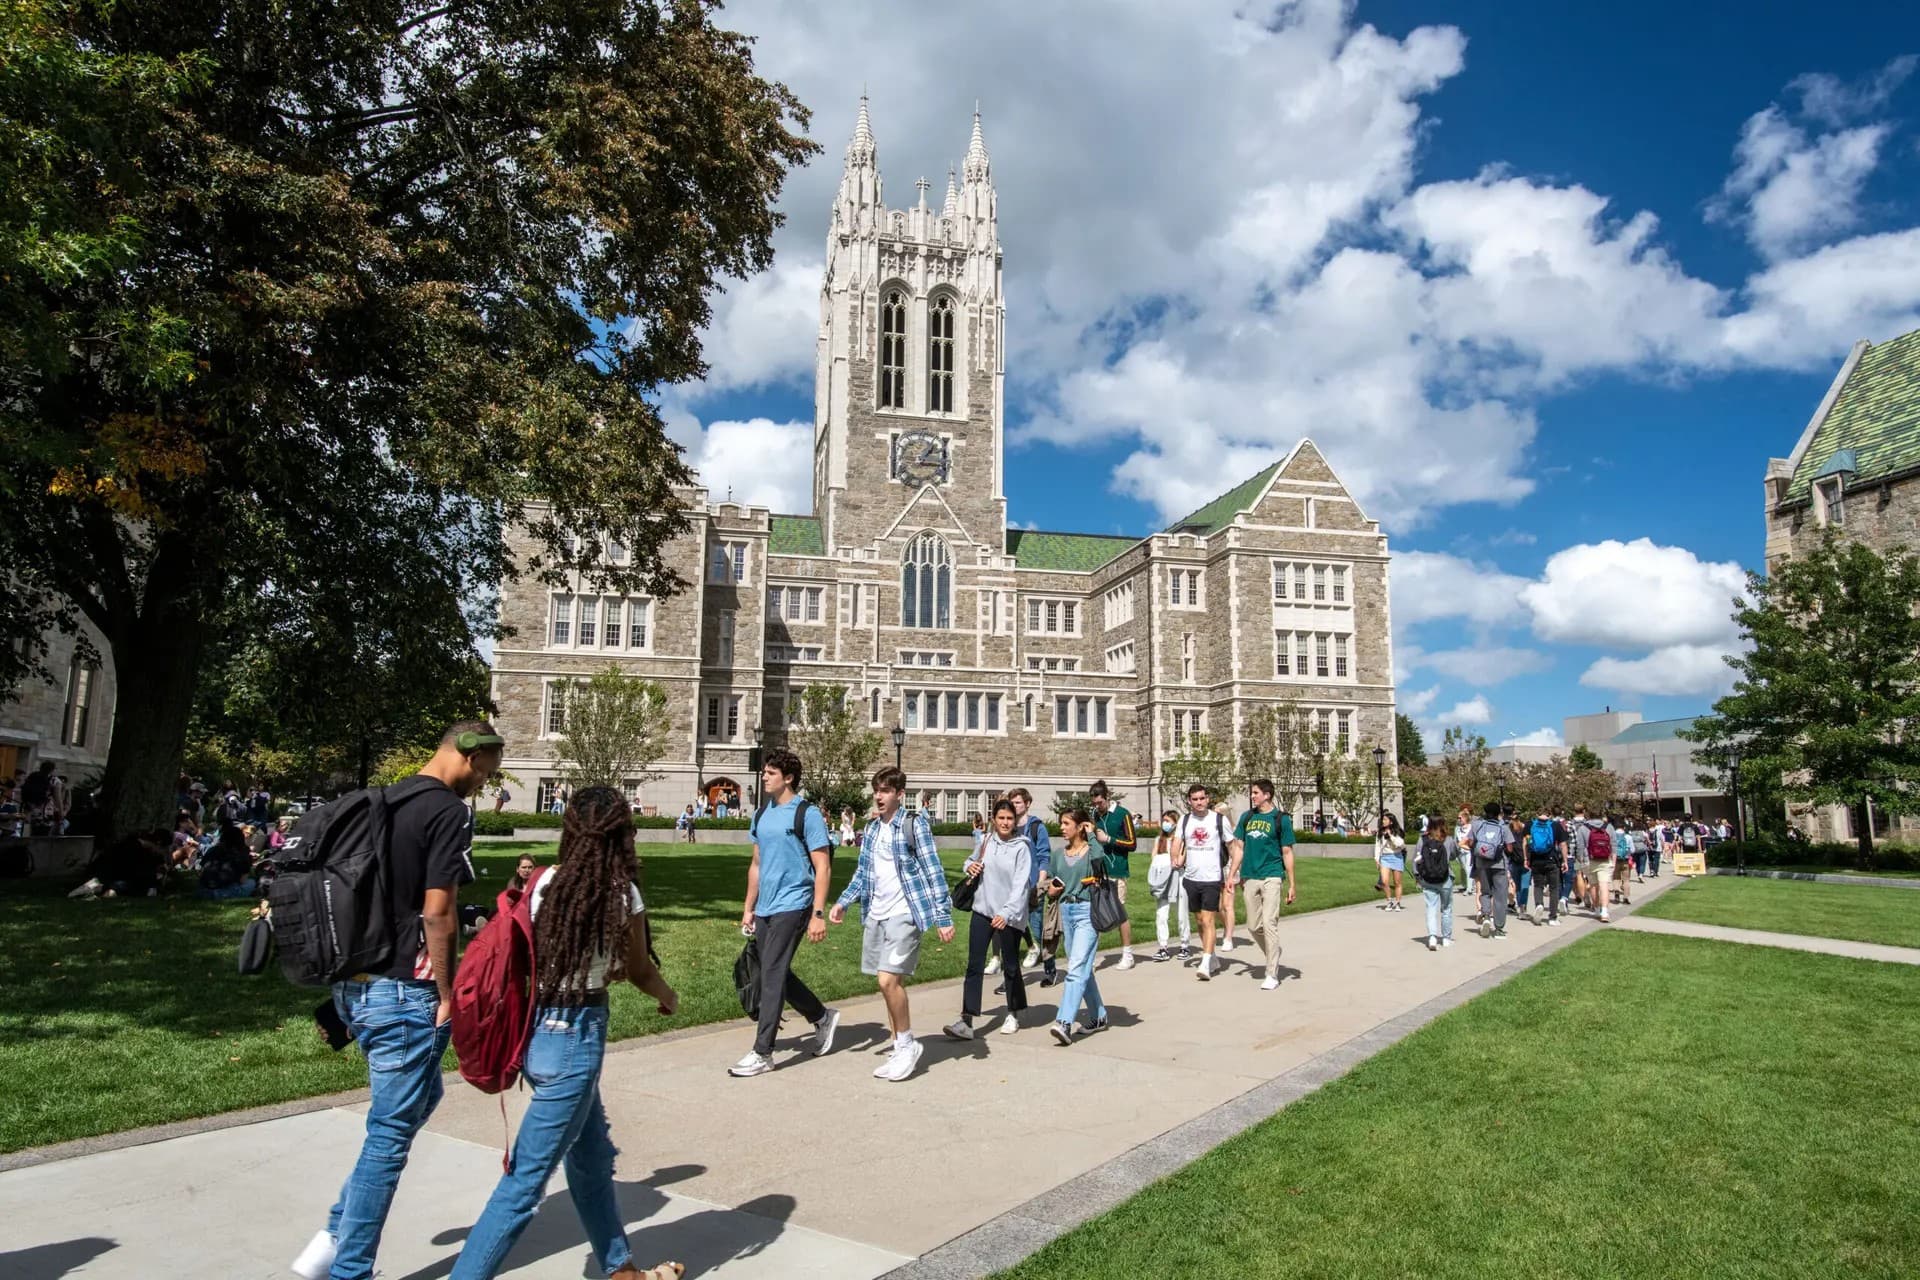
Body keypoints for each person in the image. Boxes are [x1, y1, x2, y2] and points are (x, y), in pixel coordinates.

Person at [292, 721, 503, 1280]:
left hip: (354, 985)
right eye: (487, 770)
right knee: (388, 1138)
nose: (485, 782)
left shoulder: (382, 800)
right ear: (470, 753)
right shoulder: (447, 812)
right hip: (405, 992)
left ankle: (329, 1244)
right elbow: (439, 912)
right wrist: (448, 988)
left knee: (418, 1099)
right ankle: (349, 1270)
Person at [449, 785, 683, 1280]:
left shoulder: (545, 882)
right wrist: (669, 996)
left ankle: (620, 1269)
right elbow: (639, 970)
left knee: (592, 1156)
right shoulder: (623, 891)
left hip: (536, 1033)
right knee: (524, 1185)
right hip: (577, 1038)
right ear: (621, 835)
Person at [829, 766, 955, 1083]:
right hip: (877, 913)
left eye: (885, 790)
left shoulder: (914, 825)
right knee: (885, 985)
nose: (878, 795)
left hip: (905, 912)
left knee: (888, 981)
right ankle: (899, 1046)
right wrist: (844, 901)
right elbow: (863, 873)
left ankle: (909, 1044)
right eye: (876, 789)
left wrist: (943, 916)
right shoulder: (871, 830)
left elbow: (934, 870)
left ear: (900, 795)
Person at [730, 749, 839, 1079]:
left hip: (795, 903)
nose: (764, 776)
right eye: (764, 771)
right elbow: (756, 864)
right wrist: (748, 907)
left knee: (773, 973)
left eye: (771, 772)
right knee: (773, 970)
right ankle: (821, 1016)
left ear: (788, 777)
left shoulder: (806, 814)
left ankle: (763, 1052)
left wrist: (818, 913)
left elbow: (822, 866)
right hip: (766, 906)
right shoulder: (761, 813)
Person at [947, 798, 1032, 1039]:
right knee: (974, 965)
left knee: (1011, 965)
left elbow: (1020, 886)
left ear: (1015, 821)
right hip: (983, 910)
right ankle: (967, 1019)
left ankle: (1013, 1012)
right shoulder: (986, 840)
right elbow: (970, 861)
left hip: (1009, 915)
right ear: (993, 819)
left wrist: (1005, 913)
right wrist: (970, 867)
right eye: (1001, 818)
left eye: (1009, 818)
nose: (1005, 822)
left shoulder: (1021, 848)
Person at [1046, 808, 1110, 1044]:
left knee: (1075, 969)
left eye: (1066, 823)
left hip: (1087, 911)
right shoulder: (1058, 854)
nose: (1061, 828)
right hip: (1067, 911)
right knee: (1081, 968)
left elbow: (1099, 858)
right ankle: (1098, 1016)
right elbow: (1052, 880)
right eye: (1061, 823)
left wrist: (1091, 834)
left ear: (1080, 826)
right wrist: (1051, 889)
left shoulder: (1091, 851)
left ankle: (1064, 1022)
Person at [1174, 784, 1241, 980]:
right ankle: (1211, 956)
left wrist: (1232, 875)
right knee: (1199, 921)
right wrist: (1175, 857)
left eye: (1202, 798)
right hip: (1191, 877)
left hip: (1212, 877)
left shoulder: (1218, 820)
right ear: (1189, 801)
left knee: (1208, 919)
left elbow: (1233, 847)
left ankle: (1205, 962)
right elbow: (1177, 841)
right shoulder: (1185, 820)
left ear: (1208, 798)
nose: (1199, 802)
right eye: (1195, 799)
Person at [1235, 780, 1296, 989]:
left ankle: (1272, 973)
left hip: (1272, 875)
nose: (1252, 796)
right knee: (1253, 926)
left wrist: (1292, 884)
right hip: (1250, 875)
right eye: (1252, 793)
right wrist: (1232, 874)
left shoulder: (1280, 819)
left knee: (1270, 923)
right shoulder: (1247, 817)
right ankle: (1274, 952)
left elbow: (1287, 852)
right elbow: (1239, 849)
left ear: (1267, 795)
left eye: (1256, 792)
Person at [1006, 788, 1057, 985]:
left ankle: (1050, 970)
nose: (1015, 806)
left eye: (1018, 802)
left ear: (1027, 803)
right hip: (1012, 889)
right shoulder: (1008, 827)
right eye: (1013, 803)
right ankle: (1011, 979)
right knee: (1010, 934)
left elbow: (1044, 857)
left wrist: (1039, 884)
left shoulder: (1036, 827)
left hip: (1033, 885)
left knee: (1037, 930)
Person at [1088, 781, 1140, 969]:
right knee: (1095, 911)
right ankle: (1091, 955)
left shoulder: (1122, 814)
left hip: (1117, 869)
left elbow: (1132, 843)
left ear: (1107, 798)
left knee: (1119, 912)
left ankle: (1127, 954)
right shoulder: (1095, 815)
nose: (1096, 807)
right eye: (1094, 803)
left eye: (1099, 803)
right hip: (1099, 870)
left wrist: (1109, 839)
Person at [1146, 808, 1190, 959]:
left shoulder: (1180, 840)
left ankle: (1184, 945)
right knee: (1161, 913)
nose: (1165, 824)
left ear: (1175, 823)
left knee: (1181, 913)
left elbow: (1182, 856)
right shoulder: (1160, 840)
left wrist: (1178, 861)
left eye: (1168, 821)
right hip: (1163, 879)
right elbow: (1154, 855)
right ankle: (1163, 946)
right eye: (1164, 821)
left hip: (1178, 876)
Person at [1466, 802, 1512, 940]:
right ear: (1499, 813)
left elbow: (1469, 842)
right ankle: (1498, 927)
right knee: (1500, 896)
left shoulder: (1477, 825)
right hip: (1499, 864)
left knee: (1485, 892)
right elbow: (1510, 848)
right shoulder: (1503, 827)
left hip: (1482, 863)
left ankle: (1486, 915)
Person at [1412, 816, 1457, 951]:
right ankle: (1446, 938)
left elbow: (1416, 859)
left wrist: (1417, 875)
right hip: (1445, 878)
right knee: (1446, 908)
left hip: (1428, 878)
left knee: (1431, 908)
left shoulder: (1423, 839)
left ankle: (1432, 936)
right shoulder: (1448, 839)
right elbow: (1454, 855)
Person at [1521, 806, 1566, 927]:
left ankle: (1539, 904)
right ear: (1550, 815)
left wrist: (1526, 858)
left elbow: (1525, 843)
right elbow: (1562, 844)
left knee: (1538, 885)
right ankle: (1552, 917)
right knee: (1554, 888)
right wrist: (1565, 860)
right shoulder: (1555, 825)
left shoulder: (1530, 824)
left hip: (1536, 860)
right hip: (1552, 859)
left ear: (1536, 814)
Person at [1569, 805, 1612, 922]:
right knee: (1604, 885)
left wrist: (1581, 859)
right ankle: (1604, 911)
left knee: (1593, 885)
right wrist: (1613, 859)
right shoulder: (1608, 827)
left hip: (1589, 859)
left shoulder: (1584, 828)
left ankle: (1597, 908)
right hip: (1605, 859)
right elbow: (1614, 844)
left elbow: (1581, 846)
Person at [1212, 799, 1240, 951]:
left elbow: (1236, 851)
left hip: (1229, 867)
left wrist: (1234, 873)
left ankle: (1228, 937)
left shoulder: (1233, 830)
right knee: (1217, 906)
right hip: (1215, 868)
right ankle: (1226, 926)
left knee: (1228, 905)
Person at [1374, 812, 1406, 911]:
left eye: (1385, 820)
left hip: (1396, 856)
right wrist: (1377, 858)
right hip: (1385, 858)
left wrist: (1390, 837)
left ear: (1391, 822)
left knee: (1397, 882)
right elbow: (1378, 846)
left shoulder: (1398, 832)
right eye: (1383, 820)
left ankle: (1398, 902)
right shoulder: (1380, 832)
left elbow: (1400, 844)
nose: (1383, 821)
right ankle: (1389, 901)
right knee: (1384, 881)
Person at [1452, 804, 1475, 895]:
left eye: (1460, 818)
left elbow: (1471, 841)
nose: (1459, 820)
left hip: (1469, 852)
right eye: (1458, 818)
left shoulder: (1471, 828)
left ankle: (1469, 889)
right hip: (1461, 852)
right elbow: (1457, 841)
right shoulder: (1458, 829)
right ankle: (1468, 886)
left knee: (1468, 869)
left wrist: (1467, 847)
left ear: (1465, 818)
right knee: (1465, 869)